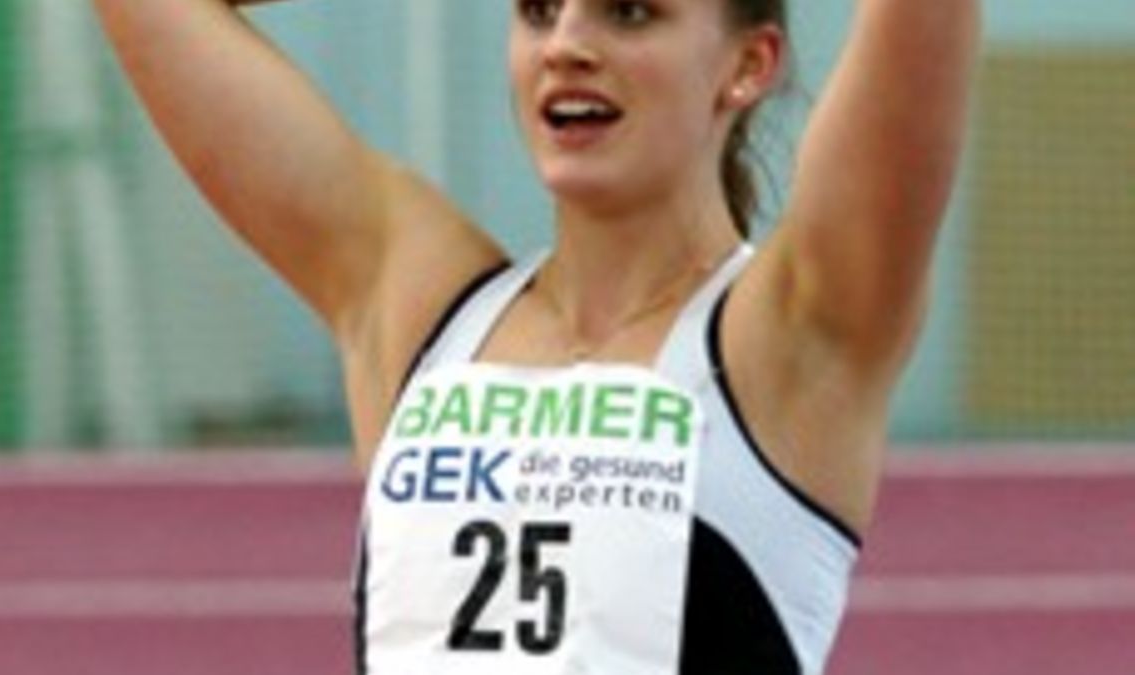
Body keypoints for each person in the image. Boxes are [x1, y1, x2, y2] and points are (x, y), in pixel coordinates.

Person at [93, 0, 980, 672]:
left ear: (748, 65)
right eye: (539, 9)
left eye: (629, 12)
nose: (567, 46)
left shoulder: (794, 335)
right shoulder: (418, 306)